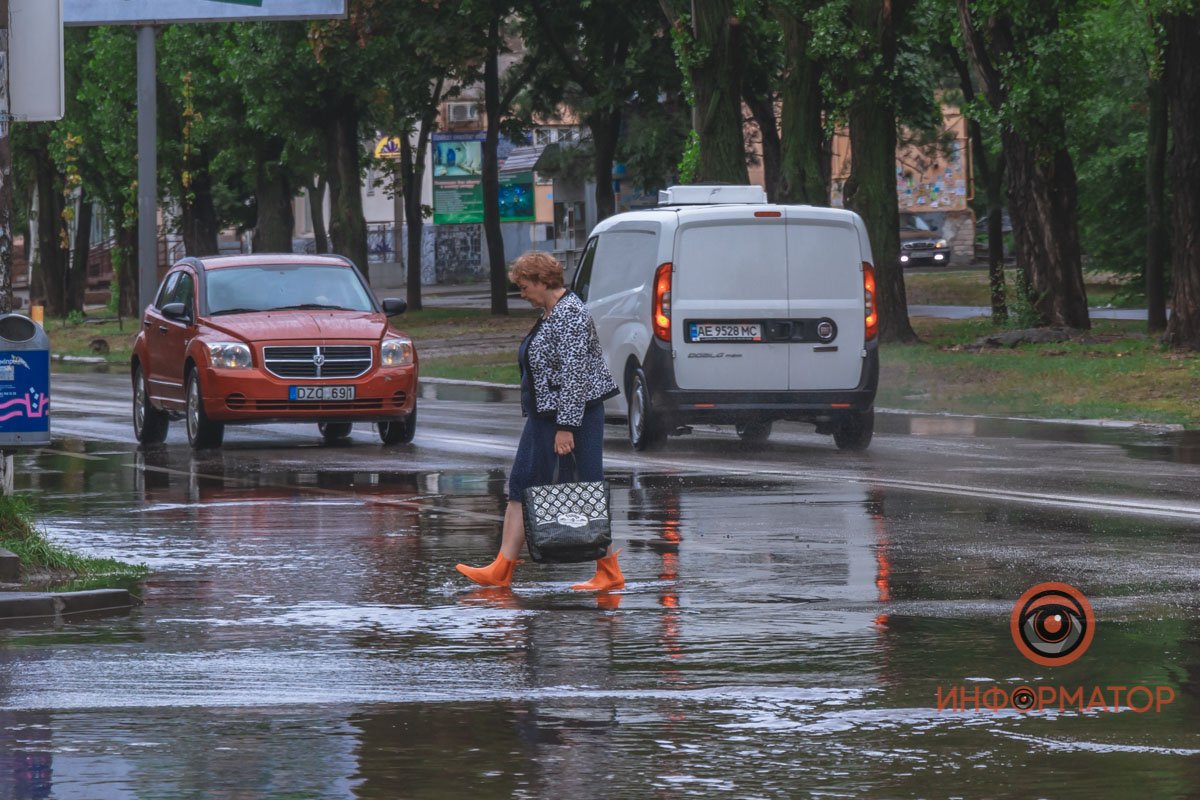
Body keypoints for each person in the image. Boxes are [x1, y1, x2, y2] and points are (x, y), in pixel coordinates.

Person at [456, 251, 622, 591]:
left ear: (543, 282)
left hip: (571, 417)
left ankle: (608, 570)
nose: (521, 293)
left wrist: (566, 426)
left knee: (585, 487)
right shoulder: (551, 312)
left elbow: (575, 376)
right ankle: (501, 569)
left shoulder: (570, 314)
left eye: (524, 285)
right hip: (545, 416)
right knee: (521, 484)